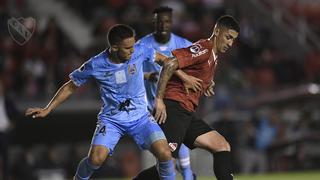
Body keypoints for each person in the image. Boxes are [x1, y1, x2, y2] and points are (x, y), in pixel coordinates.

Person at [25, 24, 178, 180]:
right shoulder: (96, 64)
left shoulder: (139, 50)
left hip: (141, 118)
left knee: (165, 153)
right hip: (112, 120)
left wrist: (185, 79)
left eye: (133, 45)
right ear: (114, 47)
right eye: (127, 48)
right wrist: (48, 109)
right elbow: (70, 87)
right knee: (95, 159)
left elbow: (167, 61)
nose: (132, 50)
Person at [134, 15, 240, 180]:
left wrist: (206, 84)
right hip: (174, 108)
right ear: (217, 31)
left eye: (233, 40)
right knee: (166, 166)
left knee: (221, 145)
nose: (230, 43)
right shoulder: (204, 48)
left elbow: (195, 74)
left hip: (187, 112)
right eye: (228, 37)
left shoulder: (214, 56)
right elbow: (169, 63)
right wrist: (159, 99)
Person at [138, 6, 200, 180]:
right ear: (153, 22)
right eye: (159, 21)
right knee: (166, 153)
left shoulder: (184, 45)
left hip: (176, 102)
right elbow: (130, 72)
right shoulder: (142, 45)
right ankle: (185, 173)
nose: (163, 25)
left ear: (172, 22)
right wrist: (148, 75)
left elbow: (199, 67)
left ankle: (187, 174)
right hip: (152, 106)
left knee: (175, 146)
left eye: (166, 21)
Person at [0, 78, 18, 180]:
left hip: (4, 132)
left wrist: (12, 125)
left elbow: (16, 114)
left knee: (5, 158)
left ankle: (6, 177)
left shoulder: (7, 100)